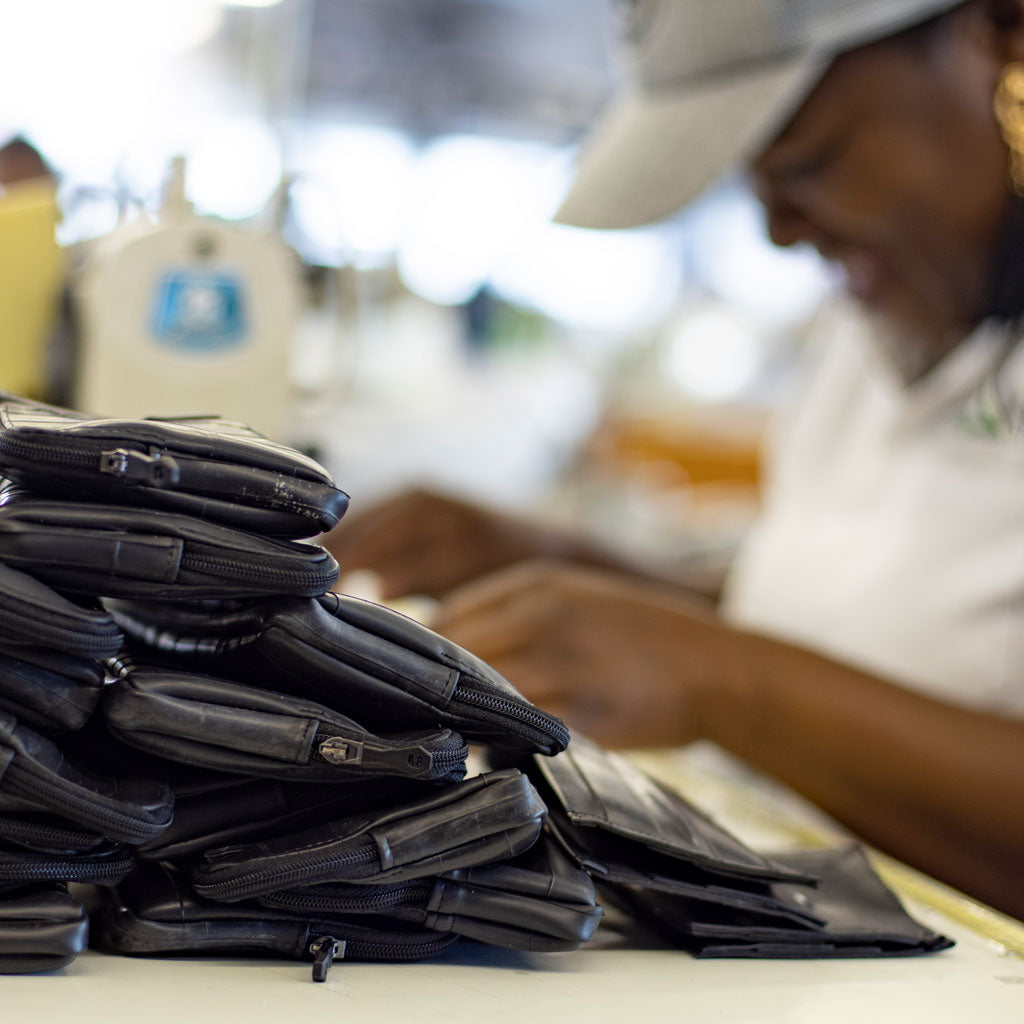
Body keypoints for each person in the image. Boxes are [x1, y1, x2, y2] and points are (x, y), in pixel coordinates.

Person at [323, 0, 1024, 921]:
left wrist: (721, 681)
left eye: (812, 160)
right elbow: (880, 618)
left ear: (1001, 36)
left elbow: (764, 669)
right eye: (753, 179)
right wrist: (577, 572)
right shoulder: (869, 335)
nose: (780, 231)